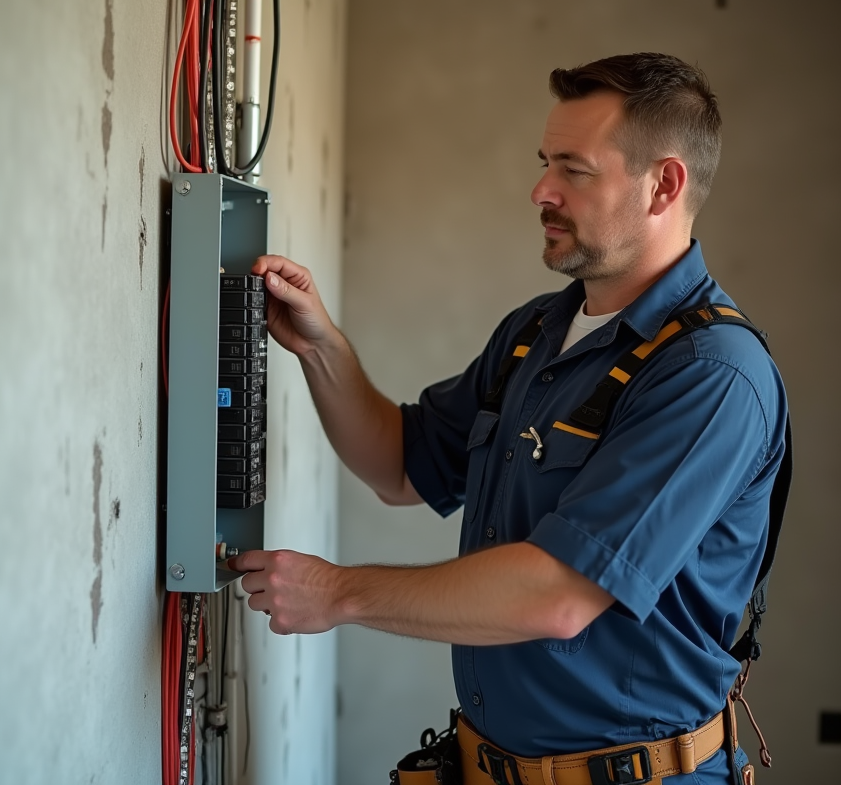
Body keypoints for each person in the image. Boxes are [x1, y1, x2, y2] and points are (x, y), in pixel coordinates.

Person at [229, 52, 789, 784]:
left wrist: (339, 593)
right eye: (545, 164)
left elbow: (561, 594)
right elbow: (400, 465)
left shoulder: (712, 374)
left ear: (665, 185)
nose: (541, 191)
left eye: (573, 170)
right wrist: (320, 348)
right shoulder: (536, 333)